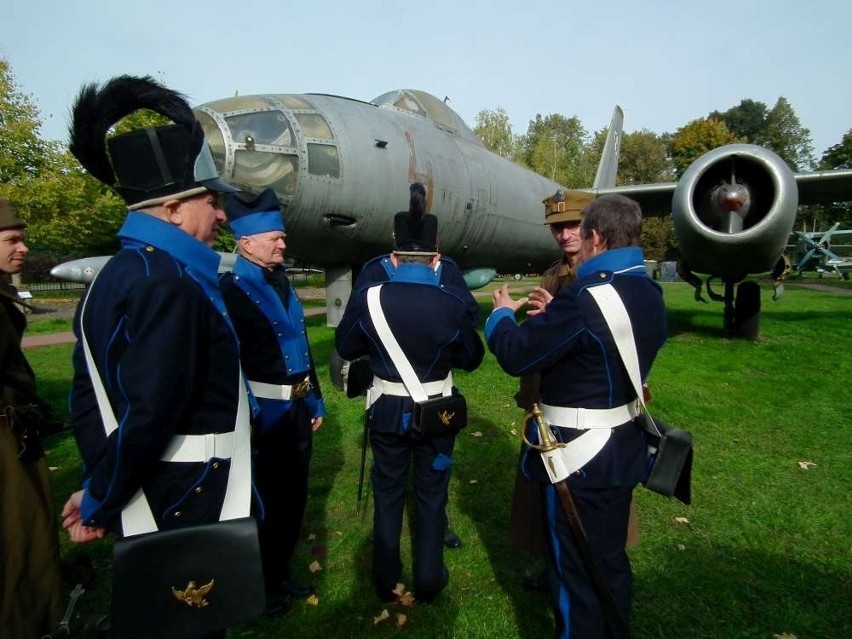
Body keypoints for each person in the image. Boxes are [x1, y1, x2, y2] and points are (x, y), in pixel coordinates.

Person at [59, 76, 245, 639]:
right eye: (211, 202)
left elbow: (89, 400)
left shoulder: (120, 272)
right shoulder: (167, 282)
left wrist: (100, 483)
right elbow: (151, 409)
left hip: (147, 486)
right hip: (182, 492)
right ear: (171, 208)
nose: (221, 216)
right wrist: (101, 495)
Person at [486, 195, 667, 638]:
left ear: (596, 237)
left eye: (580, 232)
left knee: (575, 579)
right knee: (608, 565)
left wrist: (501, 318)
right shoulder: (648, 290)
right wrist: (559, 321)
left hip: (580, 458)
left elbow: (516, 354)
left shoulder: (586, 299)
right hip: (621, 449)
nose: (573, 241)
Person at [335, 184, 484, 603]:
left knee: (388, 493)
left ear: (394, 256)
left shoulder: (369, 298)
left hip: (385, 411)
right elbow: (472, 358)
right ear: (437, 258)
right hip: (438, 413)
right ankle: (431, 577)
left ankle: (385, 579)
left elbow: (346, 348)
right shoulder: (452, 303)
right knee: (432, 494)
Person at [220, 187, 325, 601]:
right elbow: (231, 362)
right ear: (246, 243)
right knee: (265, 501)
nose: (283, 243)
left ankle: (278, 574)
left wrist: (314, 399)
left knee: (294, 495)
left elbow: (300, 345)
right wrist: (248, 413)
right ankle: (259, 584)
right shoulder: (230, 291)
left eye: (282, 236)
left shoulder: (283, 283)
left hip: (298, 409)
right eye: (274, 238)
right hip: (263, 414)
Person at [510, 190, 595, 592]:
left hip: (587, 405)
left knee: (585, 493)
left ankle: (584, 572)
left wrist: (551, 317)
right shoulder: (552, 273)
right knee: (545, 487)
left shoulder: (600, 275)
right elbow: (540, 340)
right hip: (546, 399)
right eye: (558, 227)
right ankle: (552, 564)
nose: (565, 235)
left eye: (572, 226)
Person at [0, 198, 63, 639]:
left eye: (22, 239)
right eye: (11, 240)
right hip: (4, 442)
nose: (22, 248)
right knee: (19, 541)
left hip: (14, 431)